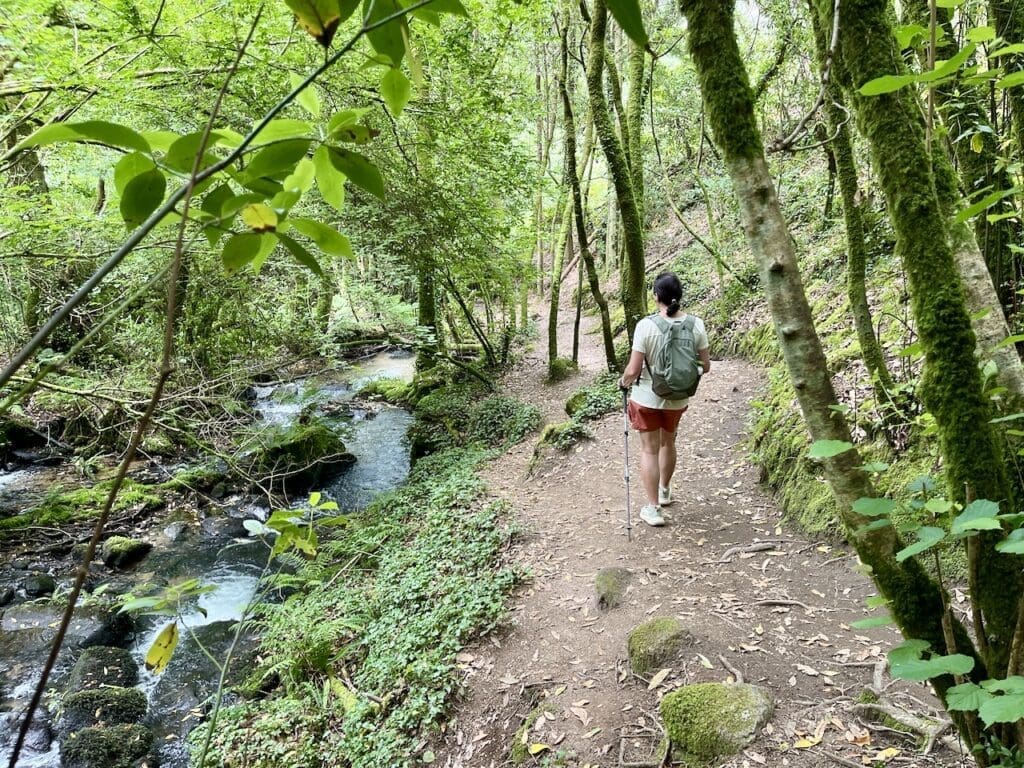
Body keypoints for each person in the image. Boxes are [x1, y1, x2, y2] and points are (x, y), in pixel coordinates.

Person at [618, 272, 711, 527]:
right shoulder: (696, 325)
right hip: (678, 399)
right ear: (678, 296)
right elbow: (706, 365)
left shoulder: (646, 326)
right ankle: (665, 490)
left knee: (649, 449)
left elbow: (633, 370)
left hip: (647, 398)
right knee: (668, 443)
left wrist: (623, 383)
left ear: (656, 295)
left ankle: (653, 509)